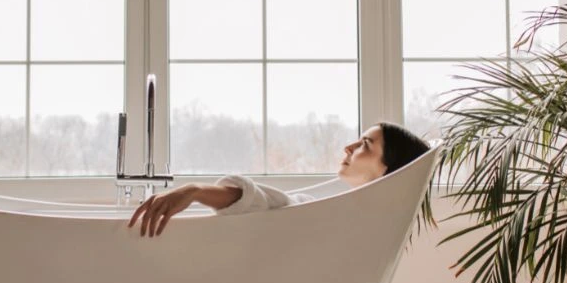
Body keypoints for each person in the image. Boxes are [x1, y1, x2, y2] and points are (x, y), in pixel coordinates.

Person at [127, 122, 429, 238]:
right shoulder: (341, 218)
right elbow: (282, 208)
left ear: (390, 170)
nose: (348, 147)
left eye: (365, 144)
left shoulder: (346, 226)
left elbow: (275, 207)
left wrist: (195, 191)